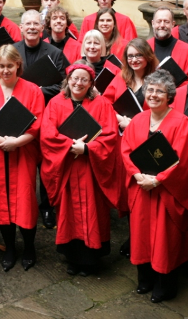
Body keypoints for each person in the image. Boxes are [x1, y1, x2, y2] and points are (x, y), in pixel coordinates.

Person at [121, 69, 188, 303]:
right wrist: (137, 176)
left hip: (167, 192)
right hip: (141, 189)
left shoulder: (182, 123)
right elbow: (125, 151)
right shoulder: (138, 120)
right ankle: (144, 279)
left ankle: (165, 285)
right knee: (141, 235)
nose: (153, 95)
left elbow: (183, 160)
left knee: (166, 239)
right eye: (150, 90)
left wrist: (158, 179)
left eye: (159, 91)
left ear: (169, 95)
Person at [40, 61, 121, 276]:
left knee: (93, 211)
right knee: (69, 213)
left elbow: (110, 135)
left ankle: (91, 259)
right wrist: (69, 146)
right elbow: (48, 135)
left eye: (84, 79)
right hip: (67, 167)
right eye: (75, 78)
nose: (78, 83)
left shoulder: (102, 104)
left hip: (91, 169)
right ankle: (73, 258)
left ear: (91, 83)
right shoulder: (56, 103)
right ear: (68, 80)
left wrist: (87, 148)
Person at [0, 45, 45, 272]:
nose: (5, 70)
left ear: (18, 65)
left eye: (9, 66)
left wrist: (16, 142)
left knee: (24, 200)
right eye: (1, 66)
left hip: (22, 152)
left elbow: (37, 122)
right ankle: (10, 248)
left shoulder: (32, 90)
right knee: (0, 202)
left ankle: (30, 247)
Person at [13, 10, 68, 229]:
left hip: (47, 117)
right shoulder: (12, 51)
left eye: (36, 24)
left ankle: (46, 208)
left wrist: (37, 91)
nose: (32, 28)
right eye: (28, 24)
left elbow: (65, 84)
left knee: (46, 166)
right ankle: (19, 206)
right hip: (19, 117)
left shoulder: (55, 53)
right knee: (21, 167)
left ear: (42, 27)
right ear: (21, 27)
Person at [103, 38, 158, 131]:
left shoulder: (158, 80)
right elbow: (105, 104)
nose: (134, 60)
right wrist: (120, 119)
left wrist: (133, 124)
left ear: (148, 56)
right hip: (120, 129)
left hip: (145, 131)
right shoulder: (120, 77)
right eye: (130, 56)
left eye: (139, 55)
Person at [148, 7, 188, 84]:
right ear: (153, 23)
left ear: (173, 24)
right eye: (159, 21)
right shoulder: (145, 47)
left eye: (166, 21)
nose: (162, 25)